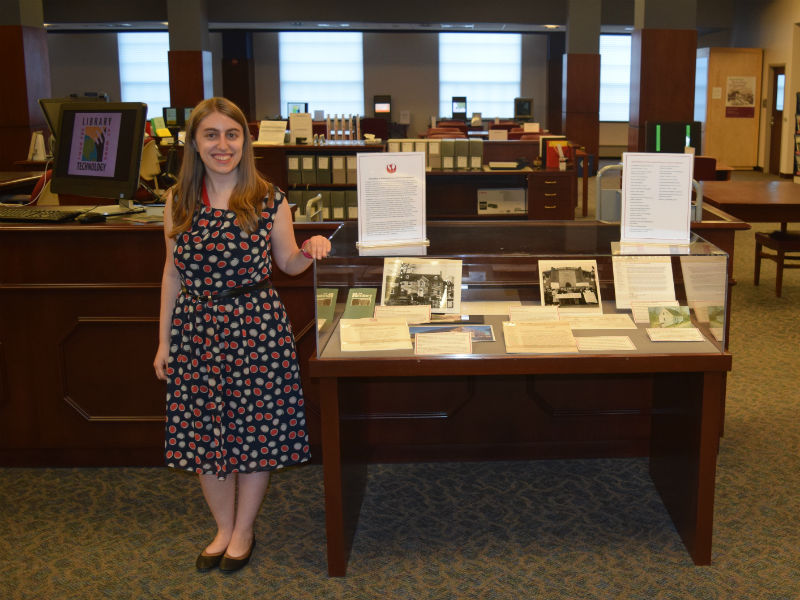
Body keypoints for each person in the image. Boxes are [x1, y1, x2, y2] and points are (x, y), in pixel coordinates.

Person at [153, 97, 330, 573]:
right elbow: (172, 274)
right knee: (206, 437)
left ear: (245, 142)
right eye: (211, 135)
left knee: (255, 434)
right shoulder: (178, 200)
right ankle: (222, 527)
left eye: (232, 135)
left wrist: (311, 248)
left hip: (256, 330)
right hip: (196, 332)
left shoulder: (268, 198)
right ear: (193, 143)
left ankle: (244, 529)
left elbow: (288, 263)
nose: (222, 145)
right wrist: (164, 342)